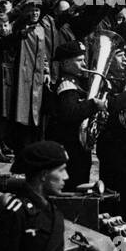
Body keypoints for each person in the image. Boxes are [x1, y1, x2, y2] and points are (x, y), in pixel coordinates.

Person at [43, 40, 103, 188]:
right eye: (79, 60)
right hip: (70, 148)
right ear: (65, 63)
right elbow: (71, 113)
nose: (83, 64)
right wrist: (94, 104)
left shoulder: (74, 82)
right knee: (74, 185)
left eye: (83, 60)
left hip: (76, 147)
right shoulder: (67, 86)